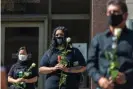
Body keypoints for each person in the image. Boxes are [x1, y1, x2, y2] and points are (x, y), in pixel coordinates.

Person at [87, 0, 133, 89]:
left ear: (125, 15)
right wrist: (100, 79)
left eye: (115, 12)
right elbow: (91, 65)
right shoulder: (98, 39)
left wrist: (126, 77)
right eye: (109, 12)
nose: (112, 14)